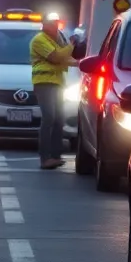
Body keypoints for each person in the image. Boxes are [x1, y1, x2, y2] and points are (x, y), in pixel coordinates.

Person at [31, 12, 77, 170]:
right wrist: (71, 45)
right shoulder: (39, 40)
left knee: (59, 119)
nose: (54, 26)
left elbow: (65, 59)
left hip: (57, 83)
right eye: (51, 23)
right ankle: (45, 158)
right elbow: (56, 57)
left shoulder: (57, 39)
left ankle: (55, 156)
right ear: (43, 24)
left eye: (56, 22)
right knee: (49, 117)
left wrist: (82, 64)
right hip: (44, 83)